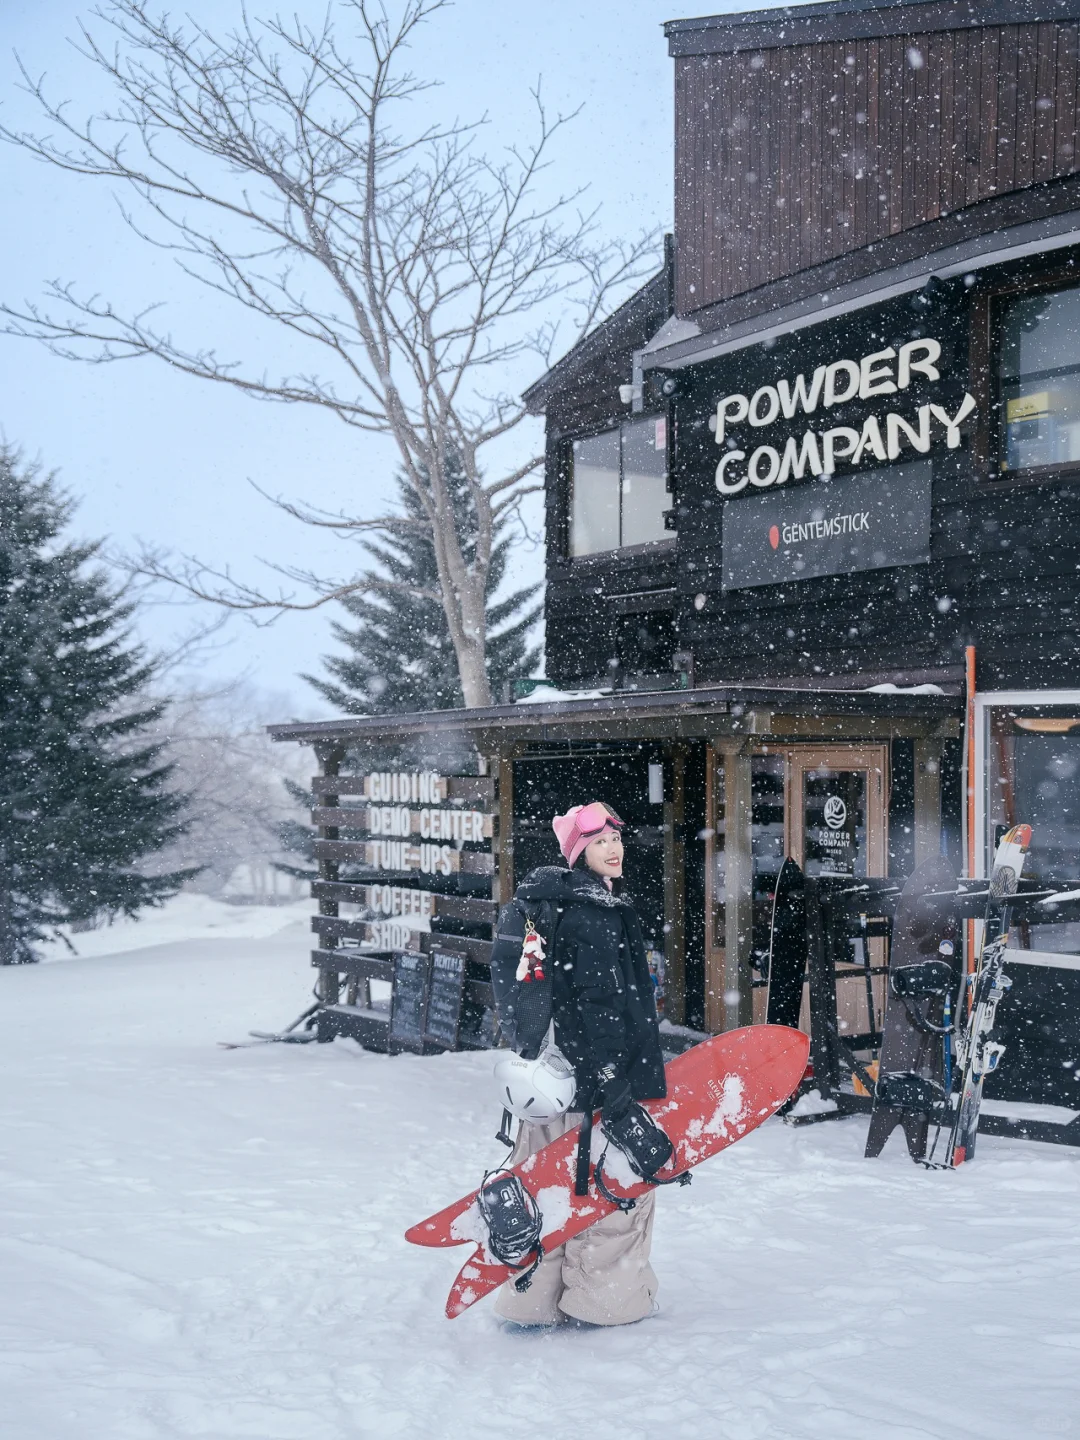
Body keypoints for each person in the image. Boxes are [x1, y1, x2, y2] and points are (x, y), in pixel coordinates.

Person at [494, 800, 667, 1330]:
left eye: (615, 837)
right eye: (598, 842)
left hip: (546, 1082)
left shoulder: (544, 904)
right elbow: (595, 1008)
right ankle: (603, 1304)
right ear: (577, 853)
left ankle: (530, 1301)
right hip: (592, 1084)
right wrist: (611, 1084)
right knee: (609, 1195)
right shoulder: (593, 913)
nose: (613, 849)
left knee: (541, 1186)